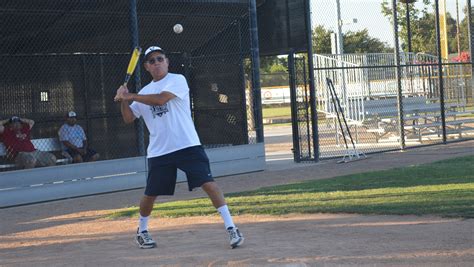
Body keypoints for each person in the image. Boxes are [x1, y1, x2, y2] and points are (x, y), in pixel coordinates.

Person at [114, 46, 244, 249]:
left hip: (187, 145)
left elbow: (161, 99)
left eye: (159, 59)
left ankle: (231, 228)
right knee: (150, 194)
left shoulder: (177, 80)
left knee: (209, 184)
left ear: (167, 62)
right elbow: (128, 118)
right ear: (147, 67)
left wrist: (131, 96)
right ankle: (142, 231)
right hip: (160, 151)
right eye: (151, 61)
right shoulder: (144, 92)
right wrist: (123, 100)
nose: (156, 63)